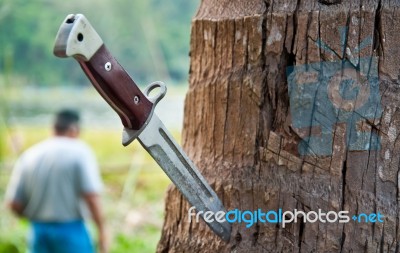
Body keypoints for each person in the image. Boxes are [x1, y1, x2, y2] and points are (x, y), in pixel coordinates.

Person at [5, 109, 108, 253]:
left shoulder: (29, 155)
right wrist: (102, 231)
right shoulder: (80, 151)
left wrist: (33, 216)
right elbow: (91, 196)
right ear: (74, 129)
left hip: (38, 231)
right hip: (71, 230)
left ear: (53, 128)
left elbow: (14, 204)